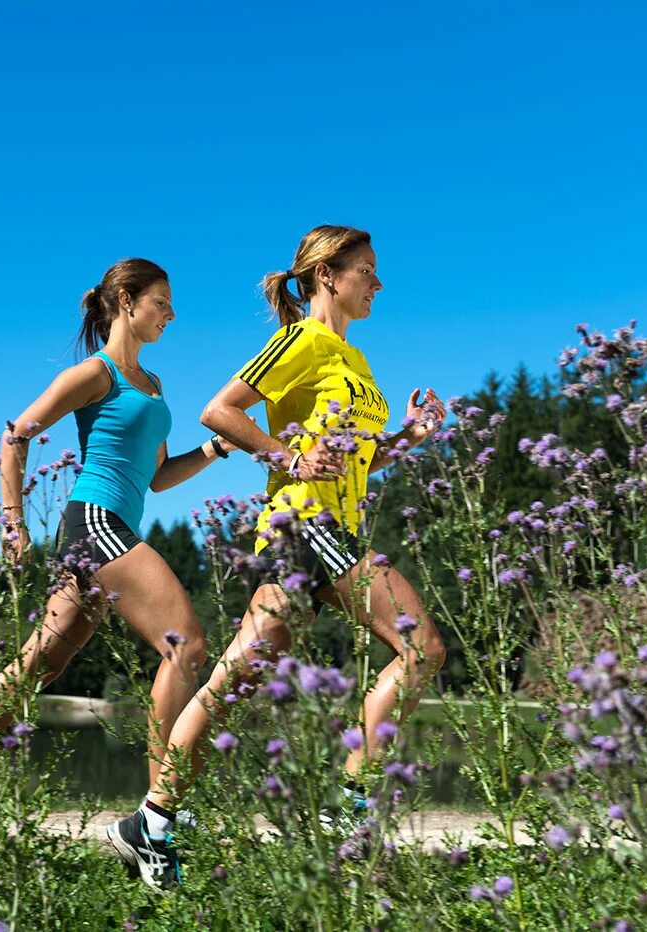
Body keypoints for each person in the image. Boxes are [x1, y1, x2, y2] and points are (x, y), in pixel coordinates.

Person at [106, 225, 447, 888]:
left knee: (235, 680)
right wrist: (287, 457)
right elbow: (220, 411)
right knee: (421, 648)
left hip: (328, 528)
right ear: (327, 275)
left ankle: (151, 820)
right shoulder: (302, 341)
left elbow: (361, 461)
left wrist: (409, 435)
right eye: (367, 271)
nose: (378, 284)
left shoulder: (358, 365)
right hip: (306, 526)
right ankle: (356, 812)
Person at [0, 258, 236, 830]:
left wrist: (214, 451)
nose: (171, 314)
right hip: (93, 521)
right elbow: (15, 436)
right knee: (185, 644)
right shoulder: (97, 374)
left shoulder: (152, 385)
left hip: (108, 529)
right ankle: (158, 816)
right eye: (161, 302)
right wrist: (12, 523)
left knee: (39, 664)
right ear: (126, 300)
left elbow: (158, 478)